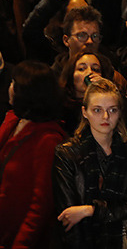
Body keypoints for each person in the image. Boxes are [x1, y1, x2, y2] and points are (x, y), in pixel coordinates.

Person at [52, 79, 127, 249]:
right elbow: (69, 219)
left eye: (112, 110)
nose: (105, 117)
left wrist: (90, 210)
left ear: (120, 112)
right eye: (97, 110)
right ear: (85, 112)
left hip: (121, 241)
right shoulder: (66, 153)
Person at [0, 61, 67, 248]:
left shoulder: (48, 139)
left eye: (15, 84)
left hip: (18, 237)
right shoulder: (12, 119)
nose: (10, 87)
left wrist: (21, 244)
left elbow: (41, 204)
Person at [23, 0, 91, 64]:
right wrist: (56, 0)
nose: (84, 18)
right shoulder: (48, 48)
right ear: (60, 22)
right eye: (76, 14)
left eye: (87, 12)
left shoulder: (97, 47)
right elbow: (31, 29)